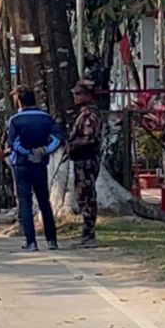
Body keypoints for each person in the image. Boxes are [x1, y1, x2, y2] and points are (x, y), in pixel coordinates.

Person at [6, 86, 62, 251]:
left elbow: (14, 143)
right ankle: (52, 240)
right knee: (44, 200)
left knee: (25, 202)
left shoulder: (15, 120)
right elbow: (57, 139)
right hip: (40, 164)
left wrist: (28, 152)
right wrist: (45, 150)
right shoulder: (46, 118)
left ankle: (31, 241)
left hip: (22, 164)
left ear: (19, 101)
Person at [67, 80, 101, 249]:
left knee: (87, 197)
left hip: (87, 160)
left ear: (88, 95)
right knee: (83, 197)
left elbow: (89, 138)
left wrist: (71, 145)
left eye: (79, 94)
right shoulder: (84, 113)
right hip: (81, 160)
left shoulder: (89, 115)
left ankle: (89, 235)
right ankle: (86, 234)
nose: (76, 97)